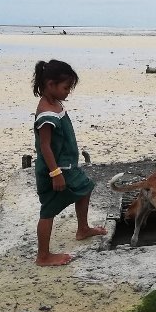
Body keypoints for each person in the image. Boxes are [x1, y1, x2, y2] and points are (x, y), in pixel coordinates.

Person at [32, 59, 106, 265]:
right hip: (55, 169)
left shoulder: (55, 103)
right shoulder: (46, 113)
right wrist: (55, 173)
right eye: (65, 88)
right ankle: (43, 256)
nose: (68, 92)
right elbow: (45, 146)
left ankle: (83, 229)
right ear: (50, 85)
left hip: (68, 166)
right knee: (48, 210)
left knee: (86, 187)